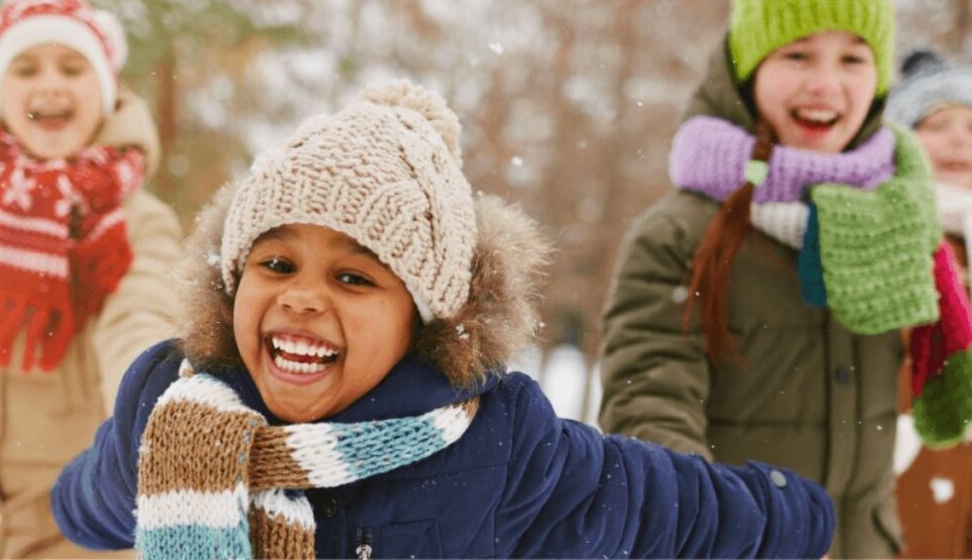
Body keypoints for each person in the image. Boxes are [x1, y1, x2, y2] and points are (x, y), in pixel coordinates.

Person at [51, 79, 834, 559]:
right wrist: (71, 502)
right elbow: (94, 501)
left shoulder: (496, 447)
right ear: (232, 281)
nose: (301, 296)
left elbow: (667, 508)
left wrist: (798, 515)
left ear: (423, 320)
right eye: (276, 263)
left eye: (355, 277)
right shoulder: (173, 411)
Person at [598, 0, 972, 557]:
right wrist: (722, 525)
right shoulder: (679, 236)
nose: (825, 84)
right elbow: (648, 404)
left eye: (853, 58)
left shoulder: (900, 219)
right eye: (797, 54)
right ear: (747, 69)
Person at [0, 0, 182, 557]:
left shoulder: (136, 220)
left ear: (104, 90)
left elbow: (141, 315)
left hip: (71, 531)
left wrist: (153, 413)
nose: (50, 83)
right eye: (25, 68)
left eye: (72, 67)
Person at [886, 50, 972, 558]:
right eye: (938, 123)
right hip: (894, 510)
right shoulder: (870, 238)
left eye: (971, 125)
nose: (959, 138)